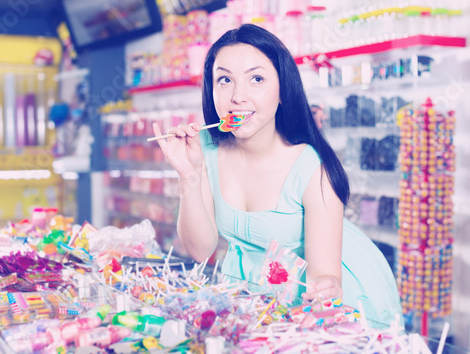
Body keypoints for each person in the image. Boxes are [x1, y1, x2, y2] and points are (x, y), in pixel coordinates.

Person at [152, 24, 402, 326]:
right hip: (248, 293)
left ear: (282, 91)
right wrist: (188, 177)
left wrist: (326, 290)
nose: (238, 97)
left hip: (308, 298)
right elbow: (200, 250)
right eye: (224, 80)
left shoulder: (313, 169)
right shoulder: (204, 148)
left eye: (256, 79)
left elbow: (325, 275)